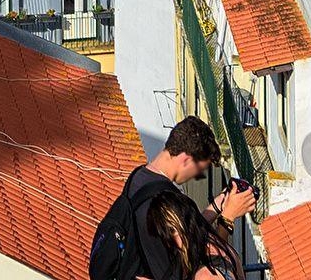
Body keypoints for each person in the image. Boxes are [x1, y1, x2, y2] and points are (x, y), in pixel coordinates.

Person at [90, 118, 256, 280]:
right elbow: (209, 256)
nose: (198, 176)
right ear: (186, 160)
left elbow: (186, 230)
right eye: (200, 169)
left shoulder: (139, 179)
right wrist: (227, 218)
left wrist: (217, 206)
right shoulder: (163, 200)